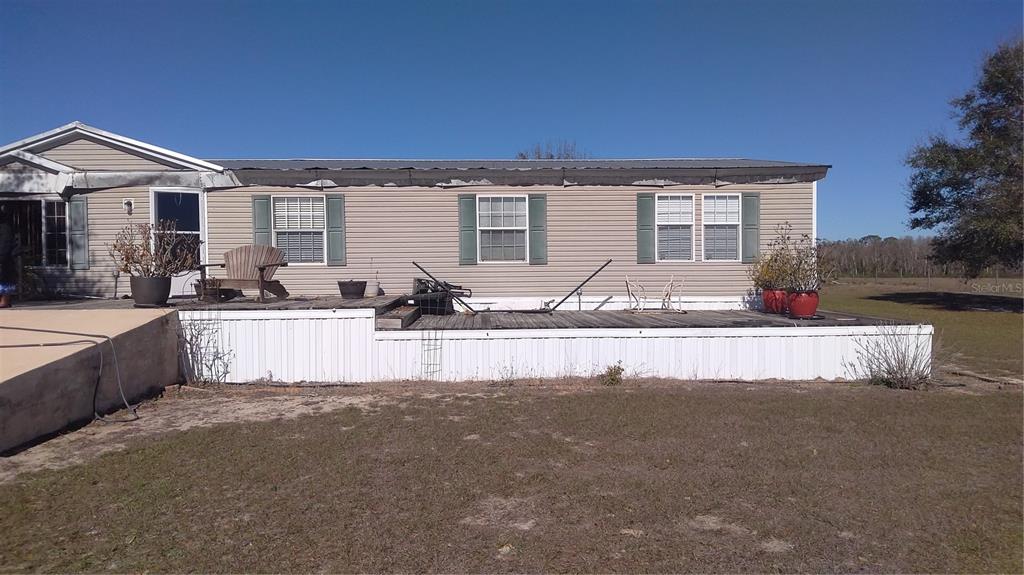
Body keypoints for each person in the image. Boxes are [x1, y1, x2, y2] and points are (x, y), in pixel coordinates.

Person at [0, 204, 18, 308]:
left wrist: (1, 257)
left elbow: (5, 245)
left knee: (5, 278)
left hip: (5, 258)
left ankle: (5, 300)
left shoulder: (5, 228)